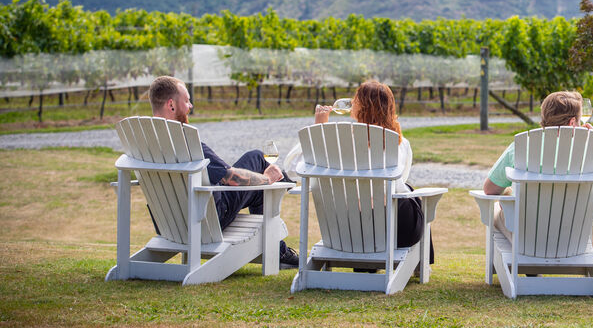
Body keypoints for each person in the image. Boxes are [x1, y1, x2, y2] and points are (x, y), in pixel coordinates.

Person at [148, 76, 299, 268]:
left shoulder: (143, 142)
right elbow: (232, 178)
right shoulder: (186, 143)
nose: (190, 105)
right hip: (206, 219)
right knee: (257, 158)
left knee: (258, 174)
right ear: (171, 105)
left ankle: (279, 249)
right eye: (186, 100)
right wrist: (267, 179)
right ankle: (287, 183)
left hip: (168, 224)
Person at [314, 80, 428, 257]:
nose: (352, 101)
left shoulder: (340, 144)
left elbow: (298, 168)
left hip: (348, 231)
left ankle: (365, 263)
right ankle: (422, 264)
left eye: (356, 98)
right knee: (411, 194)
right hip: (395, 231)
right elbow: (399, 181)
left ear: (363, 106)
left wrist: (319, 127)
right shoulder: (400, 144)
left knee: (400, 194)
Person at [482, 90, 593, 240]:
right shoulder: (591, 149)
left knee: (497, 209)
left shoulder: (521, 146)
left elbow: (489, 190)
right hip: (572, 239)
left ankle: (506, 261)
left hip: (529, 240)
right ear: (572, 122)